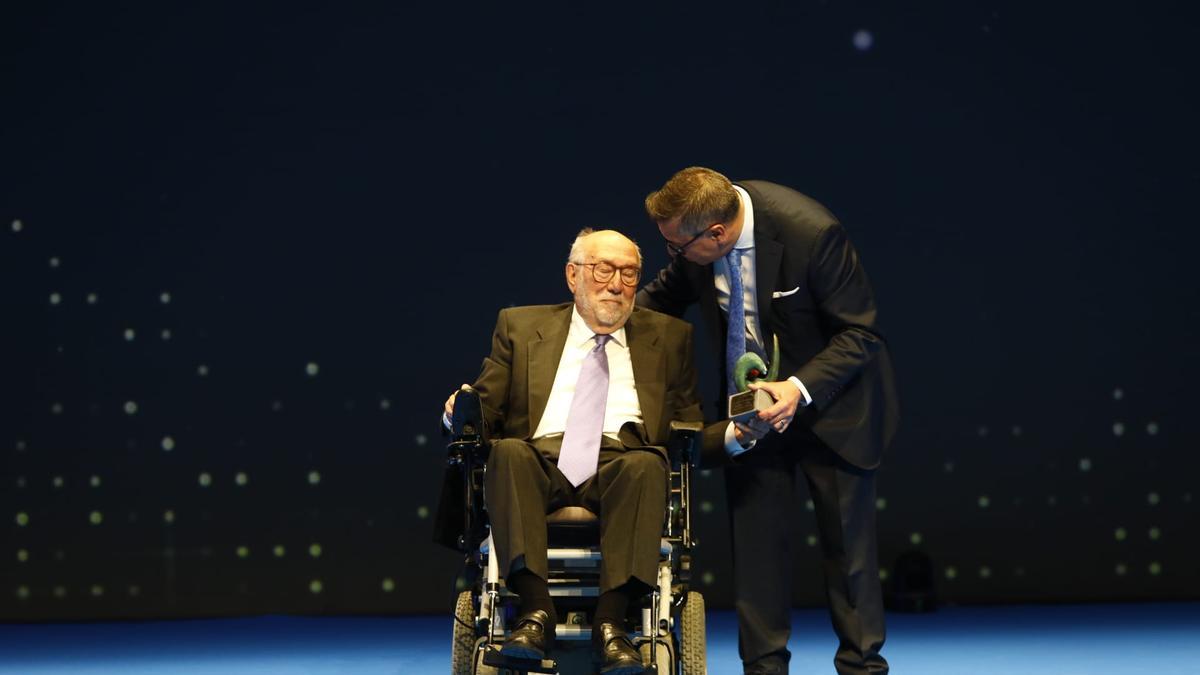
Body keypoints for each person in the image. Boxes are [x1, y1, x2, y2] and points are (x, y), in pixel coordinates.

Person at [636, 167, 900, 675]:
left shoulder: (812, 233)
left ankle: (863, 667)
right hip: (750, 419)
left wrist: (796, 389)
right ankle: (763, 670)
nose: (673, 256)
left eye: (676, 247)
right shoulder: (697, 241)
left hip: (832, 407)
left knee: (848, 557)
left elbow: (860, 335)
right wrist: (574, 327)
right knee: (756, 555)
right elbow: (659, 300)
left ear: (717, 233)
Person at [440, 228, 734, 675]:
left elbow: (688, 428)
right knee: (508, 454)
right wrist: (456, 413)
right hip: (540, 460)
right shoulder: (520, 328)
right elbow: (483, 408)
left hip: (623, 462)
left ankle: (611, 626)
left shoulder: (671, 338)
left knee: (647, 463)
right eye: (603, 270)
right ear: (573, 275)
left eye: (629, 273)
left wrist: (740, 434)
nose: (616, 284)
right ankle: (535, 616)